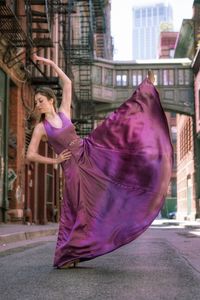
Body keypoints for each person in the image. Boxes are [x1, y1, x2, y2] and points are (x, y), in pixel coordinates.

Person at [27, 54, 173, 269]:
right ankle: (69, 253)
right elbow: (29, 154)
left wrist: (48, 63)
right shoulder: (41, 128)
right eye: (35, 102)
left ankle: (145, 92)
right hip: (72, 167)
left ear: (50, 100)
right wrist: (55, 160)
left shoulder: (64, 112)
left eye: (40, 100)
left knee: (116, 124)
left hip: (88, 152)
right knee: (77, 208)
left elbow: (67, 82)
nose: (38, 105)